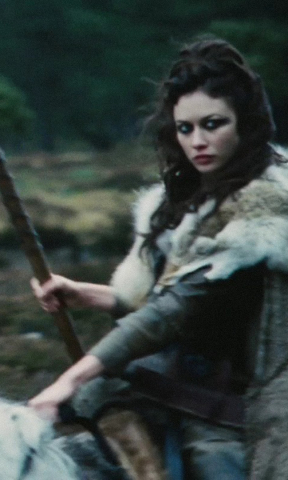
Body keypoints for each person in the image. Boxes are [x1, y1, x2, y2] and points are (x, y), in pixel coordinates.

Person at [27, 38, 288, 479]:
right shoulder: (179, 204)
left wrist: (69, 380)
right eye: (185, 128)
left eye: (213, 124)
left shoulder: (267, 208)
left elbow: (176, 310)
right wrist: (86, 294)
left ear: (245, 123)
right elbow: (157, 298)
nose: (198, 141)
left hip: (239, 410)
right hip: (165, 387)